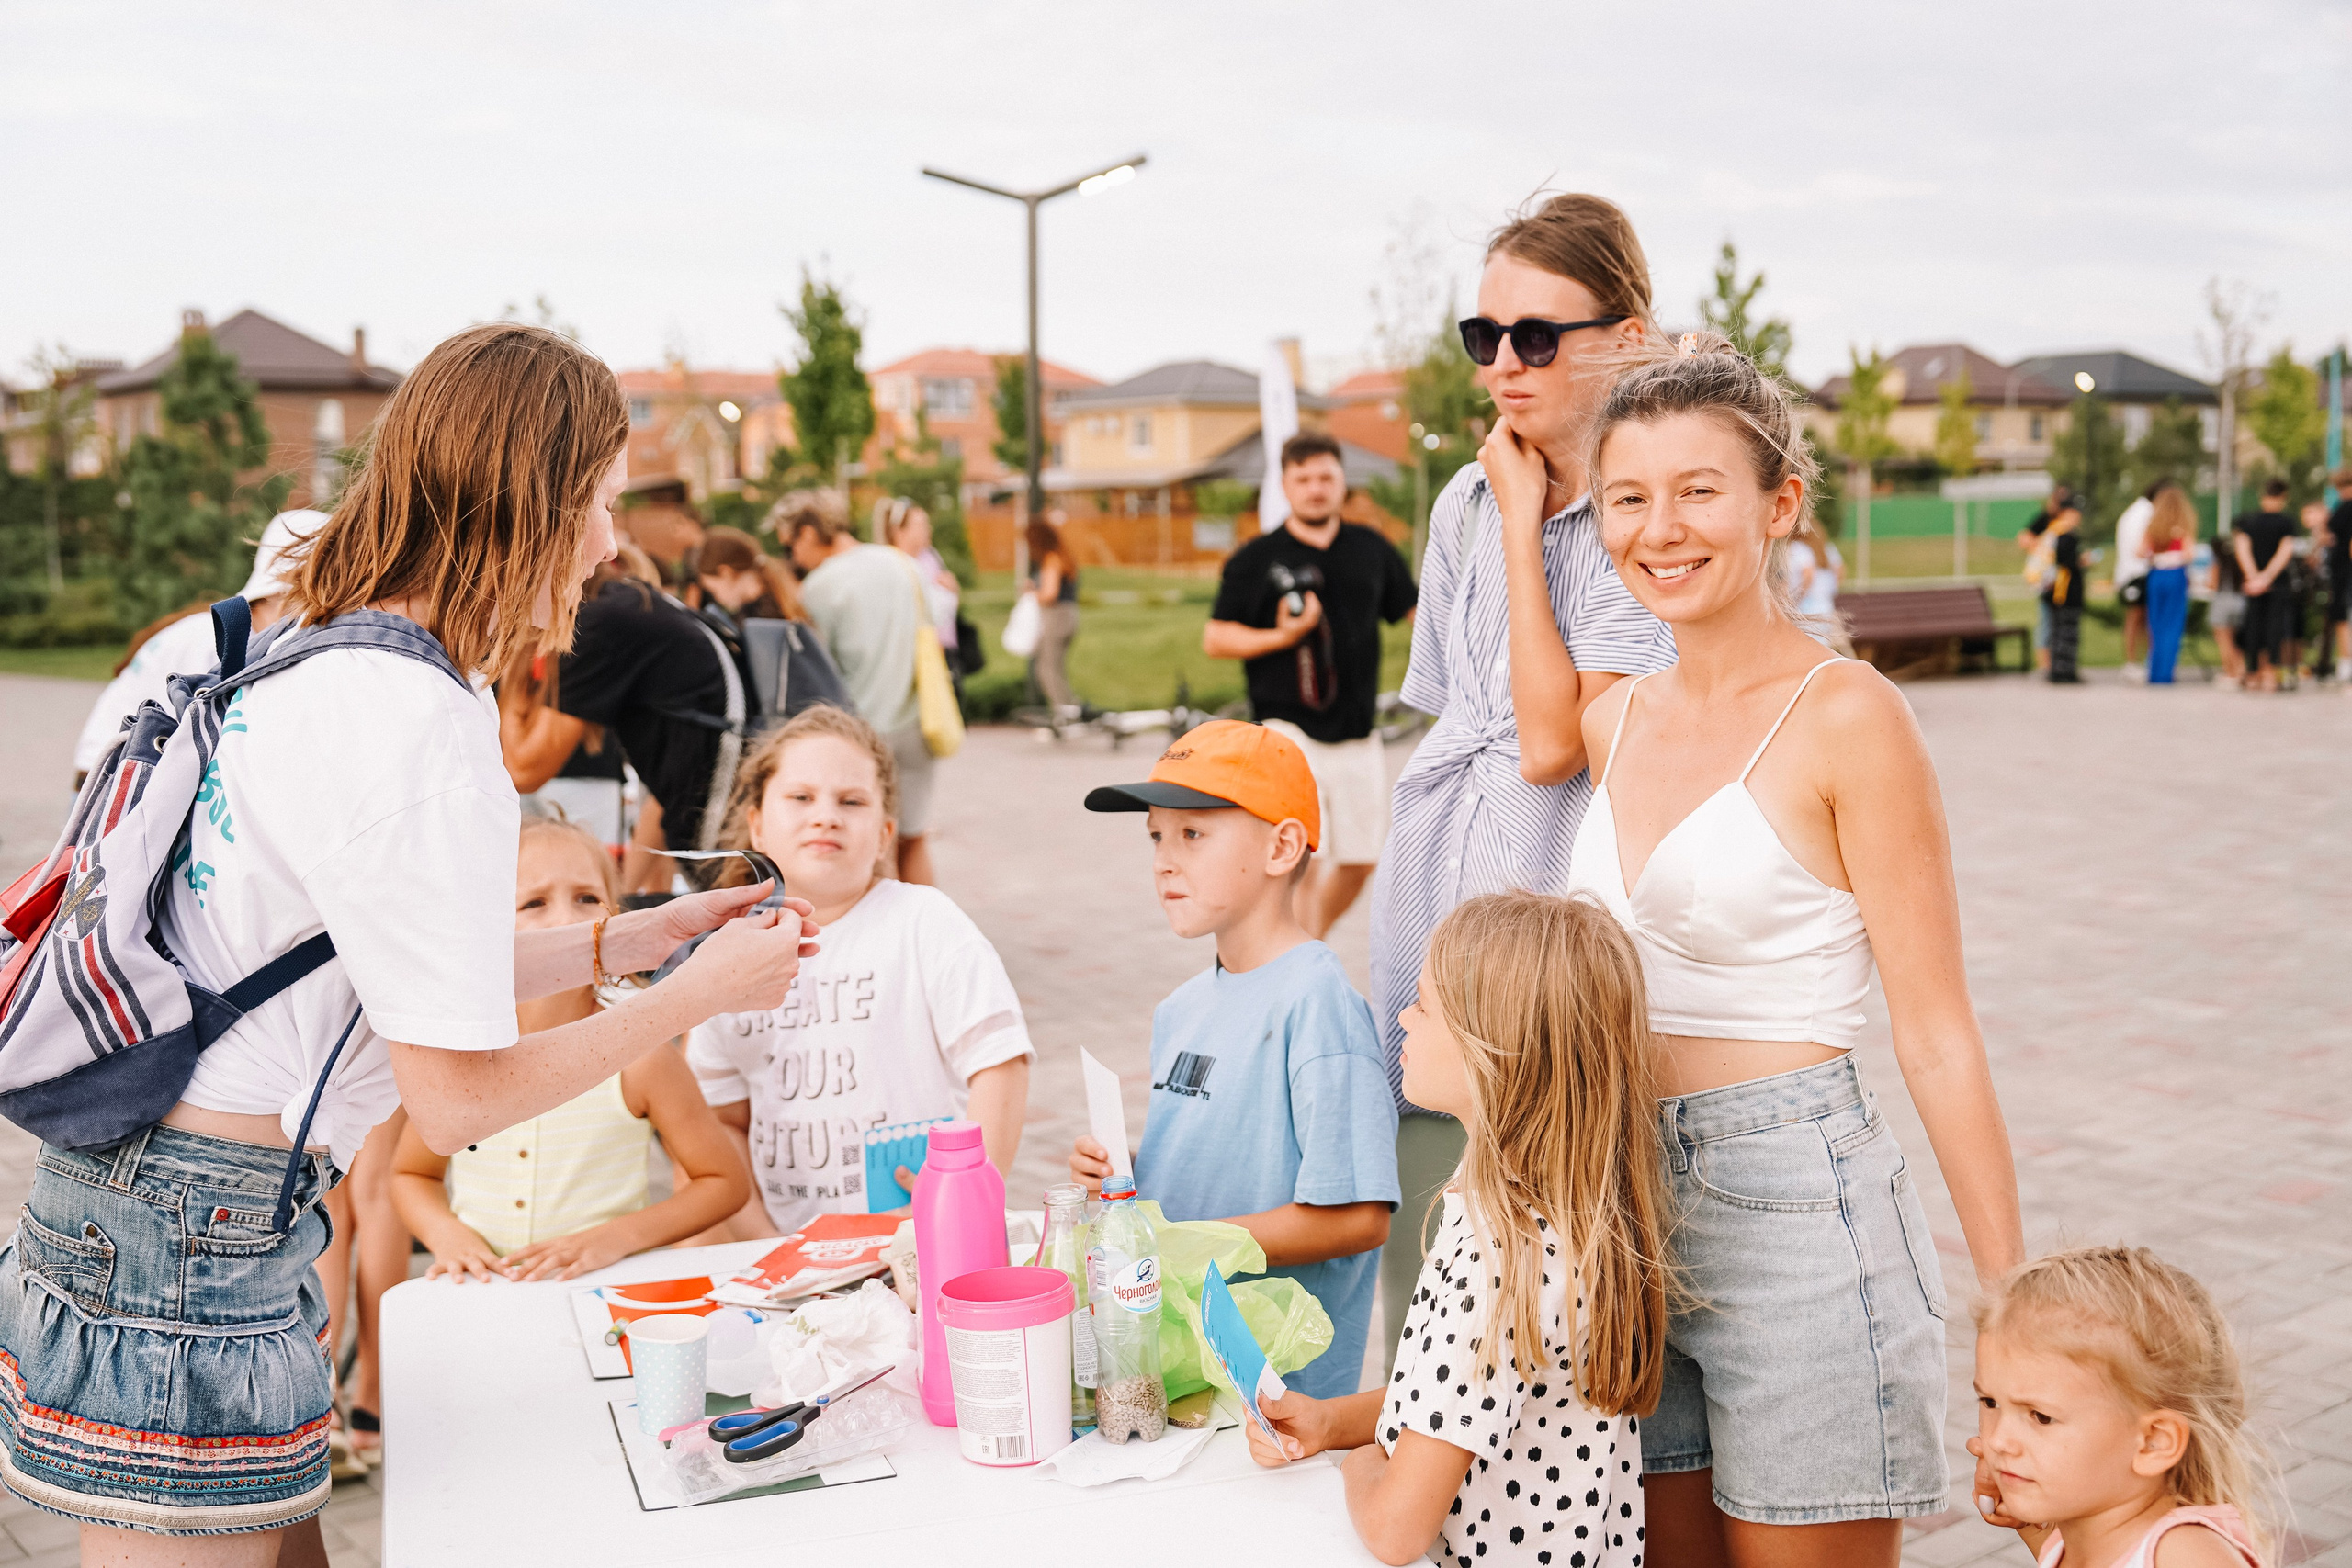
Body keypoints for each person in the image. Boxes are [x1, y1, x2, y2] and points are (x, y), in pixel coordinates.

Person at [0, 322, 814, 1561]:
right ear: (530, 501)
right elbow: (457, 1097)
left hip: (178, 1209)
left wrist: (639, 938)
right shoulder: (420, 723)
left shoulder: (330, 654)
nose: (610, 544)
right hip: (194, 1238)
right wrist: (690, 997)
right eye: (599, 504)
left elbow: (391, 966)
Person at [1566, 333, 2022, 1563]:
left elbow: (1936, 1029)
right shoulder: (1612, 719)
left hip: (1798, 1210)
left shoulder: (1851, 717)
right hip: (1621, 1208)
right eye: (1628, 498)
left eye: (1698, 490)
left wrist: (2011, 1295)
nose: (1661, 528)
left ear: (1779, 504)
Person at [1368, 192, 1675, 1374]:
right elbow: (1455, 710)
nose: (1502, 364)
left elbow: (1552, 745)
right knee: (1423, 1297)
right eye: (1482, 334)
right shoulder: (1461, 497)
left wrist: (1518, 519)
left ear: (1625, 339)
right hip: (1434, 916)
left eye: (1536, 337)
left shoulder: (1642, 520)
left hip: (1546, 951)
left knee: (1537, 1331)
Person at [1242, 891, 1668, 1566]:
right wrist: (1328, 1421)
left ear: (1493, 1052)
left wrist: (1362, 1460)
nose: (1401, 1019)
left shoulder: (1494, 1261)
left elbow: (1395, 1529)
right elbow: (1448, 1402)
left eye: (1422, 1005)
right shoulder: (1557, 1220)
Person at [1072, 721, 1398, 1399]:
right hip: (1180, 1371)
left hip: (1277, 1399)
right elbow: (1221, 1157)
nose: (1165, 860)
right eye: (1156, 836)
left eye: (1193, 834)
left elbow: (1360, 1216)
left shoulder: (1319, 1005)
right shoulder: (1181, 1008)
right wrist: (1122, 1180)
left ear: (1282, 846)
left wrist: (1186, 1239)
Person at [687, 705, 1032, 1237]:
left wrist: (956, 1203)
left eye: (851, 801)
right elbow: (722, 1122)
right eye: (801, 798)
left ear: (886, 834)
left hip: (923, 1242)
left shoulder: (926, 923)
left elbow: (1000, 1065)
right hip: (789, 1251)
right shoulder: (725, 956)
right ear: (756, 825)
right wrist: (766, 1245)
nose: (826, 816)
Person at [390, 814, 749, 1280]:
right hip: (486, 1300)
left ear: (615, 918)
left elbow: (722, 1182)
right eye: (534, 903)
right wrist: (447, 1235)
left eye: (587, 898)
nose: (566, 920)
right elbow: (412, 1175)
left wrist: (617, 1238)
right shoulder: (461, 1059)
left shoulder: (641, 1056)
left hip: (603, 1299)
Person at [1203, 431, 1419, 938]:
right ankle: (1303, 960)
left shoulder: (1372, 548)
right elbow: (1216, 638)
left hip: (1358, 730)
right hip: (1288, 731)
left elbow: (1418, 614)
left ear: (1342, 481)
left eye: (1326, 477)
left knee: (1362, 860)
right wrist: (1282, 636)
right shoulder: (1257, 558)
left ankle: (1307, 943)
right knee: (1305, 860)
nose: (1316, 489)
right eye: (1304, 480)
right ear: (1285, 486)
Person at [1969, 1247, 2269, 1568]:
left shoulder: (2186, 1556)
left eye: (2041, 1417)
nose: (1998, 1441)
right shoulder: (2073, 1540)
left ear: (2154, 1442)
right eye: (1990, 1402)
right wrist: (2032, 1527)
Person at [70, 509, 322, 787]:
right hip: (112, 782)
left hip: (123, 773)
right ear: (287, 589)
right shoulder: (218, 640)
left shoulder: (230, 631)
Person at [786, 489, 941, 886]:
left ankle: (889, 928)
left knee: (877, 850)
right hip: (920, 723)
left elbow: (818, 668)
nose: (793, 557)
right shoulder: (903, 563)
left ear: (808, 533)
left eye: (790, 544)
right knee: (914, 838)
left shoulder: (819, 587)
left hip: (861, 733)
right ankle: (931, 922)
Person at [880, 498, 965, 671]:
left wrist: (954, 590)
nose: (928, 529)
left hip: (944, 650)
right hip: (915, 657)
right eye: (921, 525)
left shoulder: (929, 556)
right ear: (899, 531)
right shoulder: (892, 565)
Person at [2232, 479, 2299, 692]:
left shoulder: (2248, 520)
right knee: (2274, 628)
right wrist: (2267, 577)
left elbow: (2242, 548)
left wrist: (2254, 578)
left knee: (2253, 626)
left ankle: (2252, 673)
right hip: (2276, 583)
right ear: (2283, 497)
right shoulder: (2286, 522)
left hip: (2253, 585)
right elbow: (2285, 551)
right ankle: (2270, 674)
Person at [1022, 507, 1083, 716]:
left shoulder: (1051, 559)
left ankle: (1064, 714)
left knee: (1047, 669)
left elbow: (1050, 594)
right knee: (1056, 667)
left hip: (1056, 617)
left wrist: (1032, 592)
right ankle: (1070, 709)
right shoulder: (1062, 556)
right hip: (1068, 616)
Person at [2016, 484, 2077, 673]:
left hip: (2062, 579)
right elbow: (2024, 539)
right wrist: (2043, 547)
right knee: (2046, 621)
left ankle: (2056, 661)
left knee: (2055, 622)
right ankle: (2045, 663)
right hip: (2047, 578)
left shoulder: (2065, 525)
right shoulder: (2046, 520)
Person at [2140, 483, 2198, 686]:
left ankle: (2154, 672)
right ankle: (2166, 672)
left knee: (2155, 624)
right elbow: (2190, 555)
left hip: (2156, 574)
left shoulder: (2153, 527)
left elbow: (2140, 551)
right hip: (2175, 575)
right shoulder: (2181, 528)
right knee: (2172, 625)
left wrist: (2157, 555)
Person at [695, 525, 806, 625]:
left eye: (714, 590)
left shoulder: (757, 618)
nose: (717, 598)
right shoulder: (776, 598)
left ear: (725, 572)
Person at [2113, 482, 2159, 681]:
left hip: (2128, 572)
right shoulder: (2147, 514)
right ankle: (2137, 661)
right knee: (2139, 619)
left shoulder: (2132, 512)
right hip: (2139, 572)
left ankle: (2135, 661)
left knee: (2136, 619)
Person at [2043, 497, 2087, 683]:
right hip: (2064, 592)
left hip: (2056, 592)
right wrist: (2081, 561)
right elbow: (2065, 562)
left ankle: (2058, 669)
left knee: (2058, 631)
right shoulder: (2065, 535)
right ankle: (2064, 671)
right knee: (2067, 632)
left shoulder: (2052, 533)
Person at [2324, 468, 2352, 684]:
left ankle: (2346, 661)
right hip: (2342, 570)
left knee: (2343, 616)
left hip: (2345, 572)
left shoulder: (2345, 508)